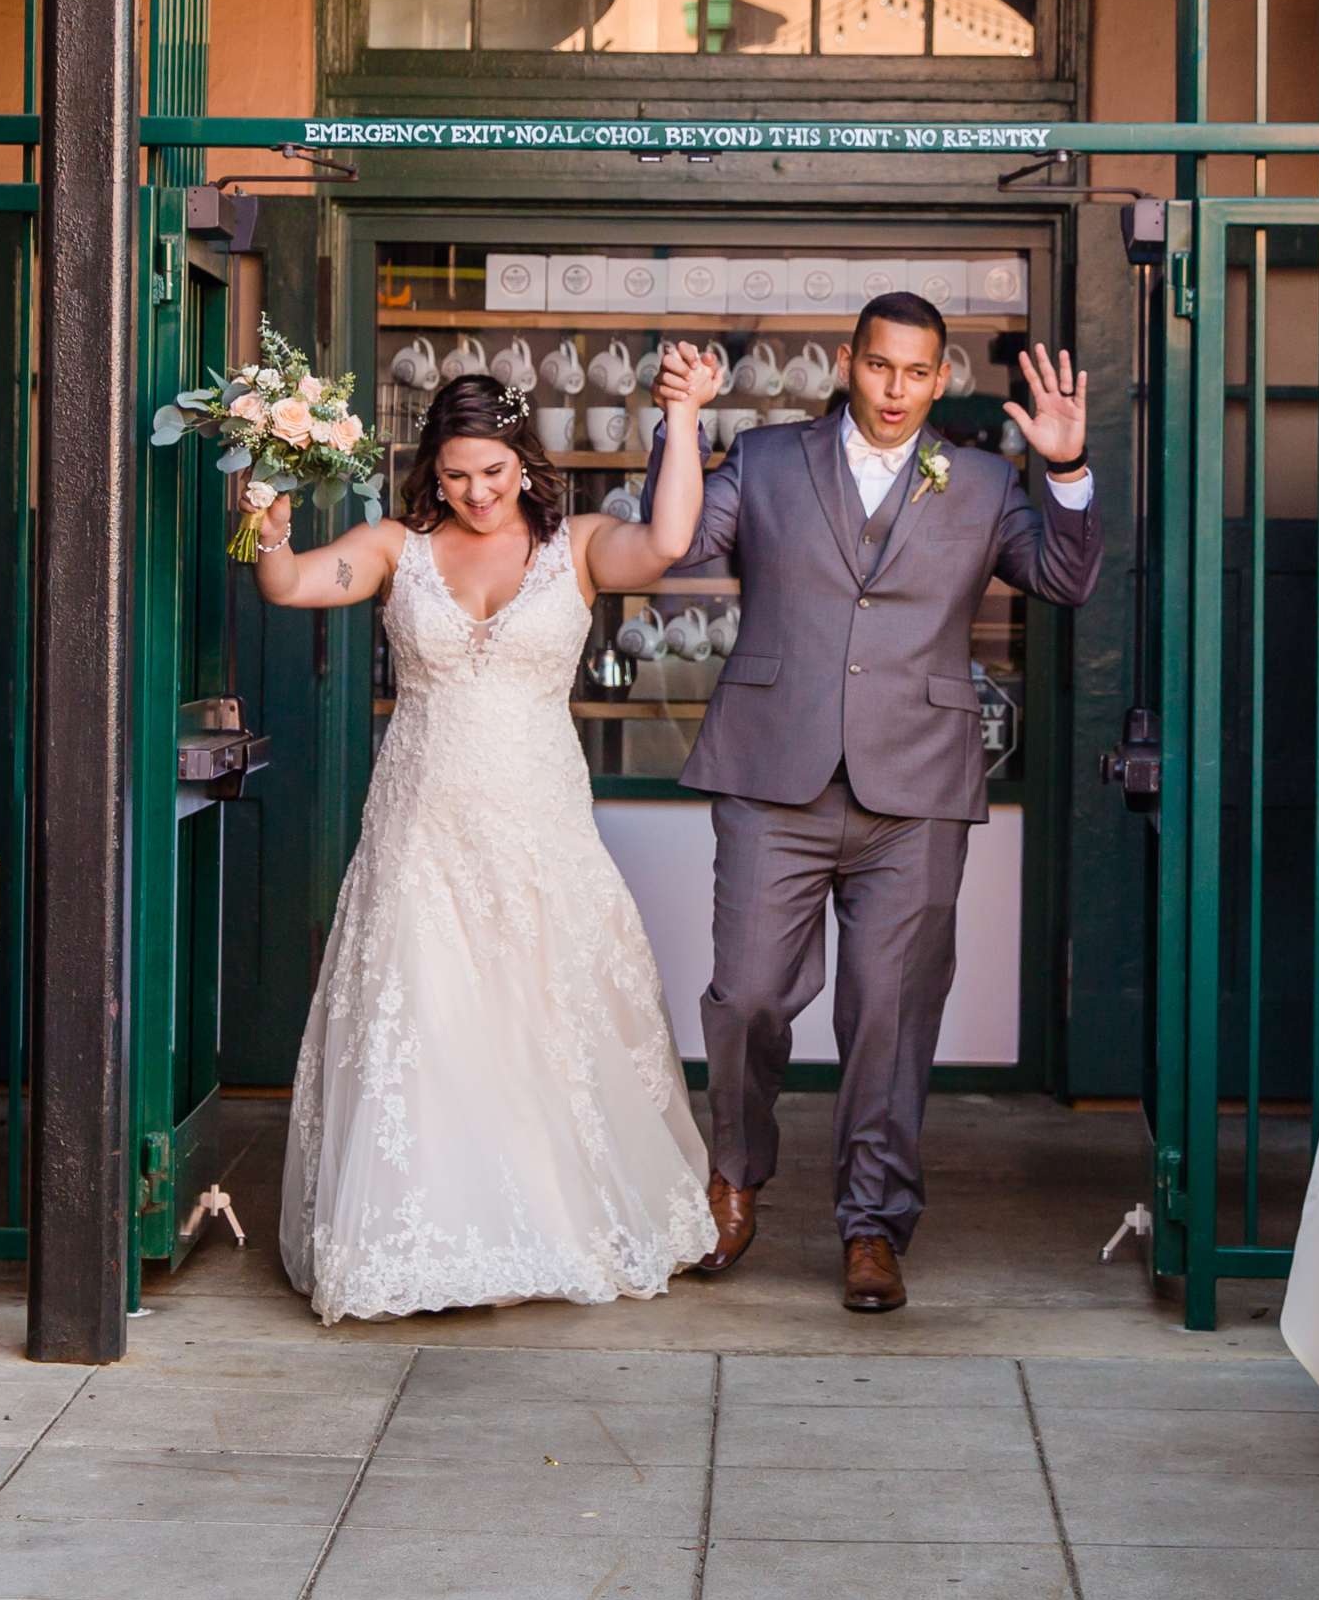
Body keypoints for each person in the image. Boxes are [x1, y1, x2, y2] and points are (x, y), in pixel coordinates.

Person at [640, 291, 1101, 1313]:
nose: (896, 389)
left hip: (918, 787)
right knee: (748, 994)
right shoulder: (764, 463)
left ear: (942, 379)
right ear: (848, 362)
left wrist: (1064, 469)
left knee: (891, 1015)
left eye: (917, 372)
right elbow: (670, 543)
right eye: (879, 366)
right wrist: (677, 423)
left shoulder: (981, 481)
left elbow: (1064, 580)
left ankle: (871, 1225)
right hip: (773, 774)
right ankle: (736, 1177)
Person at [257, 361, 721, 1322]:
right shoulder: (396, 546)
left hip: (538, 822)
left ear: (525, 462)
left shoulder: (579, 546)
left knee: (539, 1012)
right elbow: (294, 584)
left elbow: (671, 540)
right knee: (423, 1015)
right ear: (434, 468)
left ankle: (547, 1222)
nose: (478, 492)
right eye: (460, 474)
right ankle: (419, 1232)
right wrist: (269, 529)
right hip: (421, 826)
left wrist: (679, 417)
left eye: (495, 472)